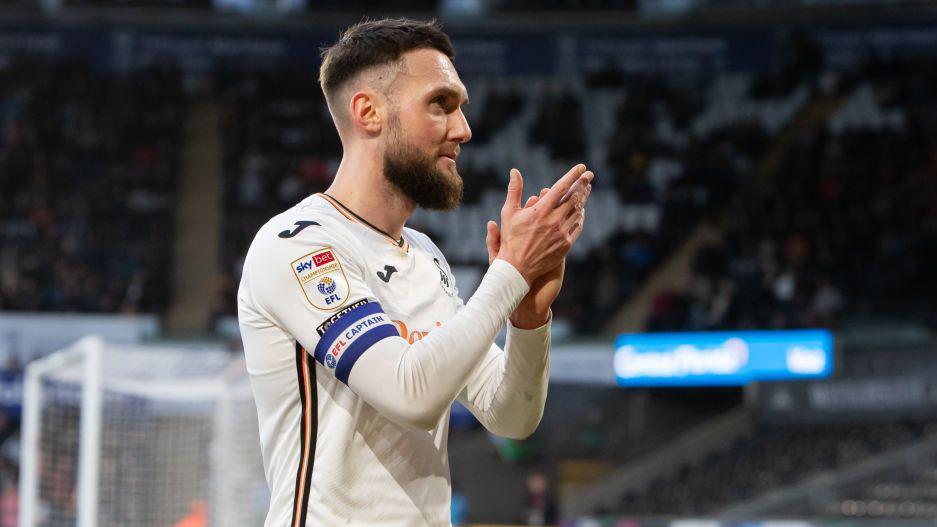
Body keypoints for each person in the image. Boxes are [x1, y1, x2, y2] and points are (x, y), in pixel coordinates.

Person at [238, 18, 593, 527]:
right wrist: (509, 270)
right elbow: (411, 394)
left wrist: (528, 317)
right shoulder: (300, 244)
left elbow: (511, 415)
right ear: (369, 112)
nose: (464, 129)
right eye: (440, 104)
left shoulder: (425, 257)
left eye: (461, 107)